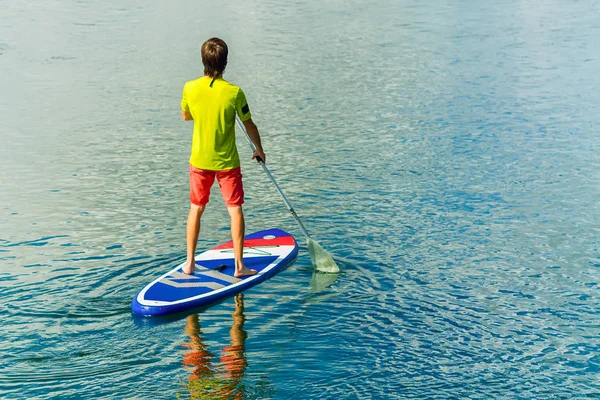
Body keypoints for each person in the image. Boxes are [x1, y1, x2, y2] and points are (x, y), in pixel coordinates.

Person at [180, 37, 265, 277]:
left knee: (196, 208)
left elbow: (187, 116)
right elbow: (249, 125)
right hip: (227, 163)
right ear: (225, 62)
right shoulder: (235, 93)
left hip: (199, 161)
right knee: (235, 209)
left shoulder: (189, 87)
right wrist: (258, 149)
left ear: (203, 61)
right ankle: (240, 267)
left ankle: (189, 263)